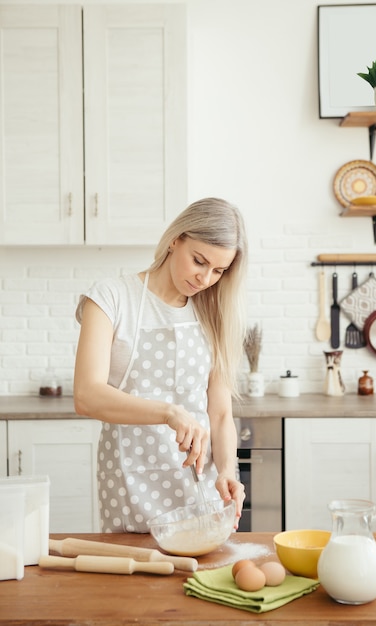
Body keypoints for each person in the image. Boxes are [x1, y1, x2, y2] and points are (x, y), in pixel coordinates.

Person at [74, 197, 248, 533]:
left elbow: (221, 413)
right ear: (175, 239)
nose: (205, 278)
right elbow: (86, 395)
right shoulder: (111, 297)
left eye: (219, 271)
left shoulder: (214, 311)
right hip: (131, 483)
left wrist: (227, 469)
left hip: (201, 484)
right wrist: (170, 412)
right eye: (199, 261)